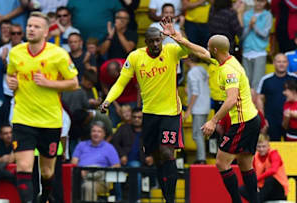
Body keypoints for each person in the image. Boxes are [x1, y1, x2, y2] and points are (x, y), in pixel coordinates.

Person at [160, 18, 261, 202]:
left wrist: (213, 121)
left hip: (243, 122)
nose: (207, 48)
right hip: (251, 119)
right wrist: (178, 38)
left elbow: (231, 99)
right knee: (246, 164)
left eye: (209, 46)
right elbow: (201, 52)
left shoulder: (228, 71)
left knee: (222, 163)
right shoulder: (225, 60)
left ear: (216, 50)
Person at [100, 26, 187, 203]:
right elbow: (120, 82)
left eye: (158, 40)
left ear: (162, 39)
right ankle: (166, 195)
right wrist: (108, 100)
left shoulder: (170, 50)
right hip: (149, 113)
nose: (156, 44)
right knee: (156, 157)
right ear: (145, 42)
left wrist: (178, 35)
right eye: (152, 41)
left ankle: (170, 200)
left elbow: (188, 49)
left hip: (171, 112)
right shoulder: (135, 56)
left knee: (166, 152)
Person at [6, 11, 78, 203]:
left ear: (46, 32)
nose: (31, 29)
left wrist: (49, 83)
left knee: (47, 172)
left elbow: (74, 83)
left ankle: (45, 197)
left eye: (36, 26)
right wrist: (11, 82)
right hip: (23, 118)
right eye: (29, 25)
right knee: (23, 167)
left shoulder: (59, 55)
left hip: (50, 120)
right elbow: (10, 75)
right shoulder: (15, 53)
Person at [71, 121, 121, 202]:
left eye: (99, 131)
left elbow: (117, 165)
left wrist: (101, 171)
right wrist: (79, 171)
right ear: (90, 133)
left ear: (104, 134)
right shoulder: (81, 145)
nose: (96, 134)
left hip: (100, 179)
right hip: (80, 177)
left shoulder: (109, 148)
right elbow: (73, 163)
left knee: (89, 186)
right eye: (94, 131)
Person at [257, 53, 297, 141]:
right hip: (271, 120)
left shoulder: (295, 78)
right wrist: (263, 119)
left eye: (284, 62)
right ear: (274, 63)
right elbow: (259, 99)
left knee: (292, 148)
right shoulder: (266, 79)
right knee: (273, 146)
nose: (281, 64)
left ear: (287, 63)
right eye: (279, 61)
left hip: (291, 119)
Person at [184, 55, 210, 164]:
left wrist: (189, 109)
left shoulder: (192, 73)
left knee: (197, 134)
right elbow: (207, 79)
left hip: (198, 107)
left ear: (188, 60)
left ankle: (201, 159)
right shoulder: (202, 69)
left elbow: (195, 92)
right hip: (205, 105)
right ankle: (202, 157)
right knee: (200, 134)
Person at [241, 0, 272, 90]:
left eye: (262, 2)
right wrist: (250, 26)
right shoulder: (246, 14)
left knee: (257, 84)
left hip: (260, 52)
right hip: (246, 51)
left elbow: (264, 34)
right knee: (245, 83)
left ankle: (255, 103)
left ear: (265, 2)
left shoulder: (267, 15)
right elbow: (241, 35)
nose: (259, 3)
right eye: (257, 1)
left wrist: (253, 25)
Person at [100, 59, 139, 127]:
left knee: (133, 121)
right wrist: (116, 105)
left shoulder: (131, 68)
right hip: (114, 98)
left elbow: (139, 88)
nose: (114, 79)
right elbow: (105, 88)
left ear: (121, 70)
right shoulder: (103, 69)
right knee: (113, 123)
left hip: (131, 97)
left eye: (116, 77)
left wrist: (138, 108)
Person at [251, 134, 289, 201]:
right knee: (242, 189)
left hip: (278, 190)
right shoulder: (255, 157)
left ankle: (258, 200)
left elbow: (273, 170)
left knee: (270, 179)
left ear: (268, 146)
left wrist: (257, 179)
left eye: (264, 146)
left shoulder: (274, 154)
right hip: (262, 188)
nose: (261, 149)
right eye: (259, 147)